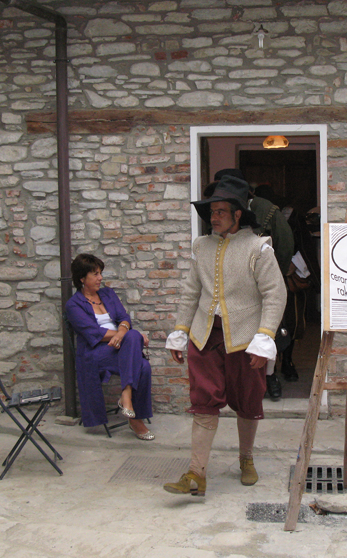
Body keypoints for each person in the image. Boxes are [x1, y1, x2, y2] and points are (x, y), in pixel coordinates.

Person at [163, 174, 287, 496]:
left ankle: (246, 458)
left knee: (247, 400)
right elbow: (191, 292)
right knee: (204, 401)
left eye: (220, 211)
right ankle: (196, 473)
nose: (214, 217)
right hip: (205, 336)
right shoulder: (201, 246)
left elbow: (275, 295)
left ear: (237, 214)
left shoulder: (258, 248)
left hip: (246, 338)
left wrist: (265, 336)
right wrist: (180, 330)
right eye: (212, 211)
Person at [204, 169, 294, 401]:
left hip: (261, 279)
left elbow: (285, 242)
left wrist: (272, 273)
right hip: (229, 287)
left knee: (269, 329)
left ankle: (271, 376)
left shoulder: (266, 208)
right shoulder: (215, 213)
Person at [65, 253, 154, 441]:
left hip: (121, 347)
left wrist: (123, 334)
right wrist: (126, 335)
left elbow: (124, 318)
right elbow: (93, 333)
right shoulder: (73, 305)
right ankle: (134, 418)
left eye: (100, 273)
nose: (100, 278)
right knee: (139, 356)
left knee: (143, 363)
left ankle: (127, 397)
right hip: (94, 353)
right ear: (82, 278)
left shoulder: (108, 294)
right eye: (95, 274)